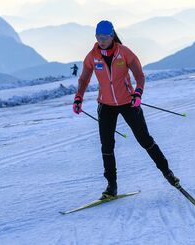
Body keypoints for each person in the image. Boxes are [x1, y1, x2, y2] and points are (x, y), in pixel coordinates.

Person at [73, 20, 180, 199]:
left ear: (112, 35)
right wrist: (78, 98)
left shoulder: (124, 53)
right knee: (106, 146)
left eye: (105, 37)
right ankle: (111, 186)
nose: (102, 40)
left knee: (145, 140)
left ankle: (168, 173)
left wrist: (138, 94)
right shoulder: (93, 56)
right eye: (98, 37)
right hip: (105, 105)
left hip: (129, 102)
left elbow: (139, 75)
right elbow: (83, 79)